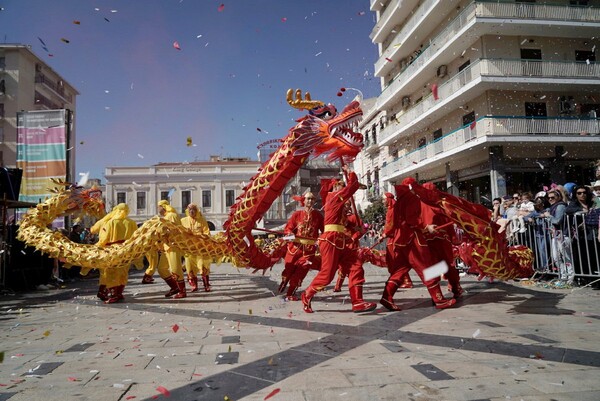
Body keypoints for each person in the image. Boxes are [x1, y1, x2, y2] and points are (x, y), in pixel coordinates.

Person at [301, 165, 376, 313]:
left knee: (356, 266)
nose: (343, 190)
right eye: (340, 186)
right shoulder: (333, 197)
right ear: (334, 188)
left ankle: (357, 302)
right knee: (327, 275)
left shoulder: (339, 202)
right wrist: (350, 173)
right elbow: (351, 187)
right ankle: (307, 294)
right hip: (330, 240)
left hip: (341, 240)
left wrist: (357, 229)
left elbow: (346, 221)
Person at [380, 178, 456, 310]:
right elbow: (413, 220)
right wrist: (427, 227)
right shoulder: (412, 199)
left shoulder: (399, 201)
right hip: (413, 240)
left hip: (401, 240)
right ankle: (439, 299)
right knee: (428, 268)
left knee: (399, 271)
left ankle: (387, 297)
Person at [278, 192, 324, 301]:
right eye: (308, 199)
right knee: (289, 269)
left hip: (309, 250)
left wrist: (322, 239)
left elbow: (323, 230)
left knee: (301, 272)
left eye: (312, 199)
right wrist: (289, 233)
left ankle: (290, 293)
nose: (310, 201)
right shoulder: (297, 214)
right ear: (303, 200)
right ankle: (284, 282)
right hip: (295, 248)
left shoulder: (318, 215)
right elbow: (289, 227)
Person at [96, 203, 138, 303]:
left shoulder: (111, 222)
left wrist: (97, 247)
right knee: (123, 273)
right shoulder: (132, 223)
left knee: (110, 273)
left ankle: (113, 295)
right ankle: (119, 293)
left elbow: (104, 239)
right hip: (126, 250)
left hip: (112, 250)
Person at [542, 189, 574, 287]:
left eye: (553, 197)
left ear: (559, 197)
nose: (550, 199)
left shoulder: (560, 206)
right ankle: (563, 277)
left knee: (566, 257)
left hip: (563, 235)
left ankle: (570, 278)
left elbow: (557, 220)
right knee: (556, 257)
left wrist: (548, 216)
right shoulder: (552, 207)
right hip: (555, 235)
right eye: (549, 198)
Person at [156, 200, 187, 298]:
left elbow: (174, 230)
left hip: (173, 246)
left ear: (163, 206)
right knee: (161, 269)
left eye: (159, 206)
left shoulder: (172, 215)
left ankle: (182, 291)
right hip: (166, 246)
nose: (158, 209)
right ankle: (175, 287)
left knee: (175, 269)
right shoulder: (165, 217)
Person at [180, 203, 213, 292]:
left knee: (202, 266)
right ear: (187, 210)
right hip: (189, 249)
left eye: (193, 209)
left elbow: (207, 233)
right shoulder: (183, 221)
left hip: (200, 249)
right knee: (190, 268)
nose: (192, 211)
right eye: (190, 209)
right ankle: (194, 286)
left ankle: (206, 285)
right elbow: (180, 234)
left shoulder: (202, 220)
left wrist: (199, 236)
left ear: (196, 211)